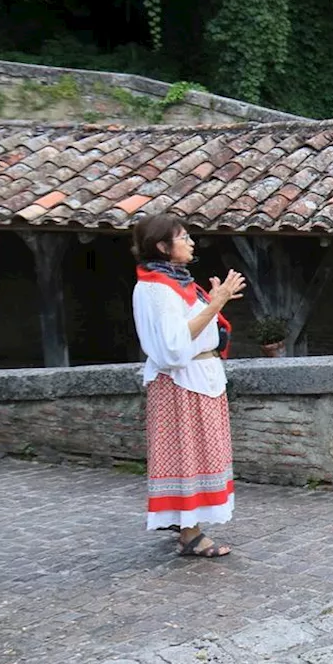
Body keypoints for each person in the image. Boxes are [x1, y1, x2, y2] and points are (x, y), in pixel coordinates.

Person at [131, 213, 247, 557]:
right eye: (183, 237)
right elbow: (174, 345)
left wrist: (211, 302)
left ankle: (184, 522)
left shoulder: (175, 282)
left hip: (200, 379)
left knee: (200, 457)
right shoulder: (156, 288)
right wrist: (216, 302)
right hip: (181, 383)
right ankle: (190, 532)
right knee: (188, 458)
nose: (191, 242)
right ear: (163, 246)